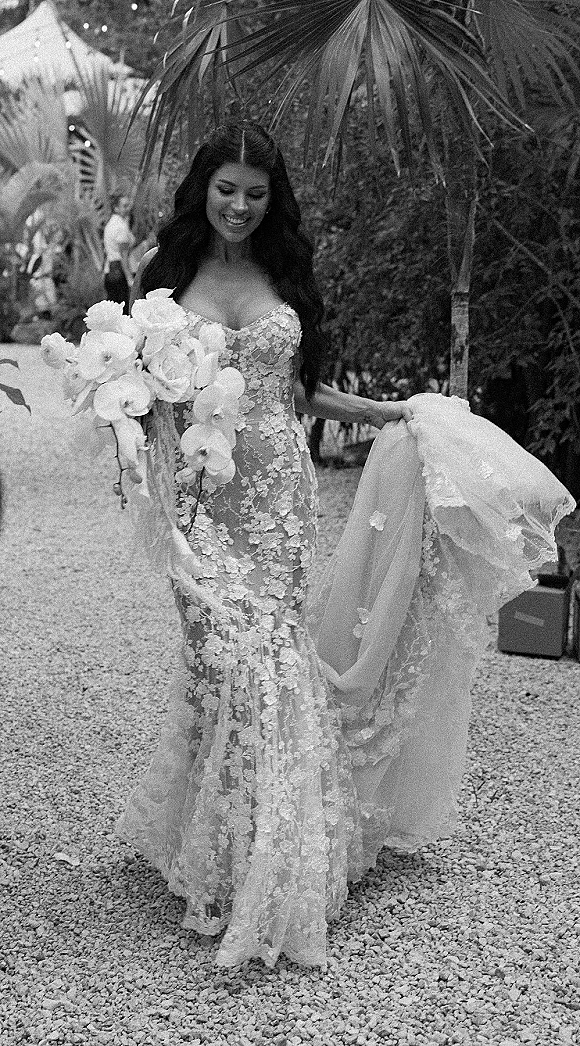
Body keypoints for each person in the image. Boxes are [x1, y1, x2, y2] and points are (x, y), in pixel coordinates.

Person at [115, 120, 574, 970]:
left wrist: (381, 415)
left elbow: (296, 390)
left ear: (272, 198)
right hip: (201, 499)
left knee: (271, 664)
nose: (241, 206)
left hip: (278, 503)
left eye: (256, 193)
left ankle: (269, 858)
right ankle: (224, 841)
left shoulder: (285, 270)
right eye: (227, 189)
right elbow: (140, 395)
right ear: (202, 189)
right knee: (221, 661)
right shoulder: (165, 279)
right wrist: (129, 444)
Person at [103, 194, 135, 311]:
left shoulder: (111, 224)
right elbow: (124, 255)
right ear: (116, 208)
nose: (128, 208)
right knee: (124, 310)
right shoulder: (120, 227)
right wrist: (130, 280)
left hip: (110, 270)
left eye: (128, 205)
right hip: (119, 272)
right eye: (124, 206)